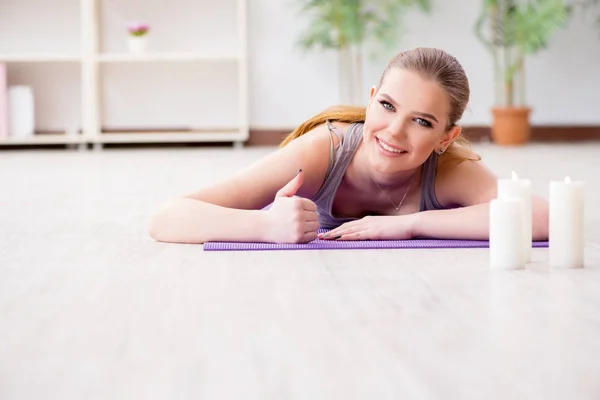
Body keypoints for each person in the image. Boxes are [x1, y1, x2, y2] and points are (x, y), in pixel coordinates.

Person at [149, 47, 549, 244]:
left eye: (422, 121)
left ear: (446, 137)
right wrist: (265, 226)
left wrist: (409, 225)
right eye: (387, 106)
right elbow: (167, 217)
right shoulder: (324, 150)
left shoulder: (447, 169)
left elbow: (540, 217)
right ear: (371, 97)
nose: (394, 132)